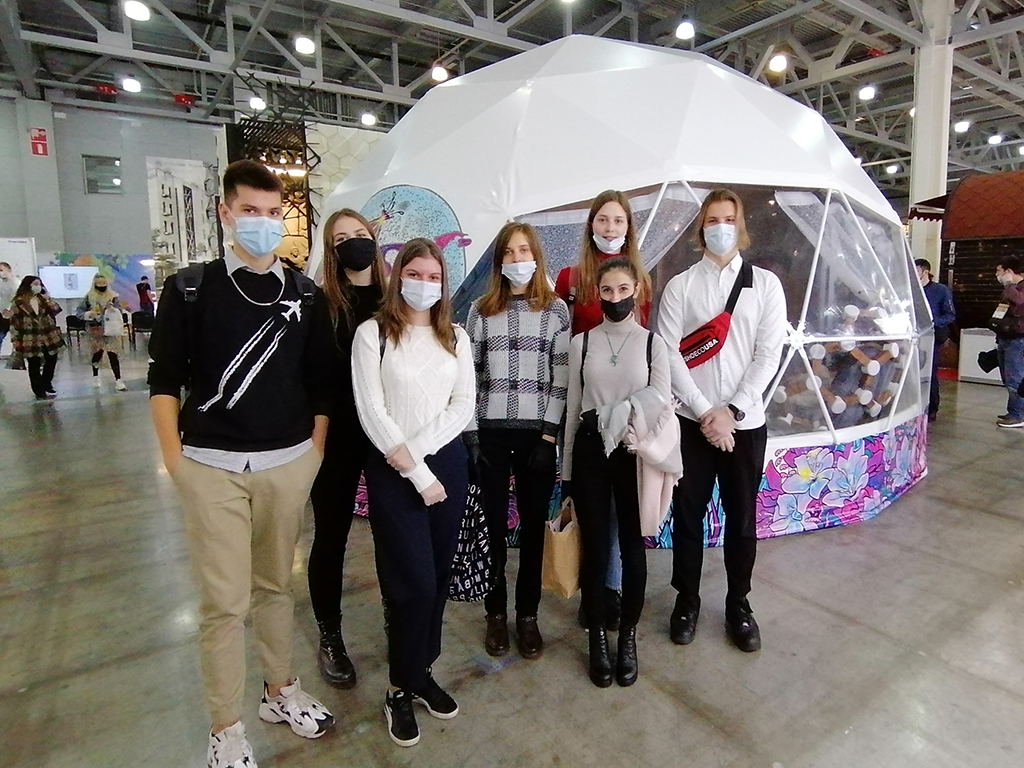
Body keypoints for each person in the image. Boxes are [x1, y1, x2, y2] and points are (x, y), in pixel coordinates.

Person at [148, 159, 336, 768]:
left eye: (272, 212)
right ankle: (225, 728)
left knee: (275, 587)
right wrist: (176, 462)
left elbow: (321, 383)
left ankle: (280, 690)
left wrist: (313, 453)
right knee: (225, 604)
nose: (262, 222)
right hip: (211, 467)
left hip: (287, 465)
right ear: (225, 212)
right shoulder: (190, 289)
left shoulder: (304, 295)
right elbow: (163, 380)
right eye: (249, 210)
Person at [351, 238, 474, 748]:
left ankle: (421, 672)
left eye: (434, 276)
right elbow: (371, 408)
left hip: (443, 463)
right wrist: (413, 470)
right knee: (411, 584)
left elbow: (463, 404)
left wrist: (418, 455)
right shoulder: (373, 334)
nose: (424, 284)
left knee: (438, 577)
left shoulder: (456, 337)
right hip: (393, 468)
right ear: (398, 275)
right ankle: (398, 688)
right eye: (415, 274)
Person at [658, 188, 786, 653]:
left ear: (741, 225)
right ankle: (686, 599)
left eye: (728, 219)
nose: (720, 227)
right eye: (712, 219)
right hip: (690, 422)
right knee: (687, 515)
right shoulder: (680, 285)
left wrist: (731, 412)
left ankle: (739, 603)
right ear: (701, 228)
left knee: (742, 519)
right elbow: (668, 352)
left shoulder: (765, 285)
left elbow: (768, 354)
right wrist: (703, 411)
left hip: (744, 424)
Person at [562, 256, 671, 688]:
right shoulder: (582, 343)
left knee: (632, 548)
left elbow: (660, 399)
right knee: (595, 550)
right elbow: (574, 408)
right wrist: (566, 472)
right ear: (597, 294)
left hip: (632, 452)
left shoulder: (652, 344)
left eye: (623, 289)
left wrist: (612, 413)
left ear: (637, 291)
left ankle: (627, 637)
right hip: (591, 453)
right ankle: (596, 640)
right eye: (607, 290)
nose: (616, 297)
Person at [464, 222, 570, 660]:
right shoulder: (480, 311)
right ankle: (495, 613)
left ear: (536, 256)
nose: (517, 258)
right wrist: (471, 435)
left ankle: (527, 615)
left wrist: (548, 436)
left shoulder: (556, 311)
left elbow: (561, 378)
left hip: (536, 436)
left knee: (530, 531)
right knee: (491, 529)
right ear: (499, 261)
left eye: (524, 250)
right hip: (490, 434)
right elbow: (468, 378)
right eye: (509, 252)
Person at [554, 190, 652, 631]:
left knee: (619, 511)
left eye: (618, 221)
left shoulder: (641, 280)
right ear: (591, 224)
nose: (610, 228)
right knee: (591, 508)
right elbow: (563, 337)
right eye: (603, 219)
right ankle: (592, 589)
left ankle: (611, 588)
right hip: (585, 398)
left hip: (627, 410)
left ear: (628, 227)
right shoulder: (570, 278)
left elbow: (643, 341)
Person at [307, 208, 387, 689]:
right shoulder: (321, 305)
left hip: (386, 438)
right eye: (341, 239)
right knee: (331, 536)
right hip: (336, 437)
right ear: (331, 250)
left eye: (360, 234)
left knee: (394, 535)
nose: (353, 243)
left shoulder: (396, 299)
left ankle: (398, 621)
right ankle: (330, 634)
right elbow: (314, 378)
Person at [8, 275, 64, 399]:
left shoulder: (43, 299)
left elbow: (56, 309)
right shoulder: (18, 302)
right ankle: (38, 389)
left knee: (52, 357)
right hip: (30, 336)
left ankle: (46, 382)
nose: (38, 287)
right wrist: (15, 339)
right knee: (34, 363)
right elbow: (14, 322)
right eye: (35, 284)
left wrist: (48, 298)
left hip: (47, 334)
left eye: (39, 284)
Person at [914, 259, 956, 422]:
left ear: (925, 272)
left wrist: (932, 322)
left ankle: (931, 408)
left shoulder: (940, 290)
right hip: (914, 337)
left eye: (917, 270)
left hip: (931, 337)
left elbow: (950, 315)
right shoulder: (912, 291)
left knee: (929, 372)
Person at [78, 274, 128, 391]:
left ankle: (118, 380)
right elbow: (79, 312)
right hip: (95, 329)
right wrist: (88, 314)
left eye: (103, 283)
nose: (102, 286)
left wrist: (113, 309)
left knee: (113, 354)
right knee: (97, 353)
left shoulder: (113, 296)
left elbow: (120, 311)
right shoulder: (89, 297)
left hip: (111, 329)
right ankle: (95, 375)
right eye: (99, 283)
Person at [992, 256, 1024, 428]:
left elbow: (1019, 302)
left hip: (1017, 340)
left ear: (1009, 271)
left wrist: (1010, 284)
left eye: (999, 271)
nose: (997, 275)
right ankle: (1013, 410)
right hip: (1005, 337)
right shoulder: (1010, 289)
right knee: (1007, 377)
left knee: (1015, 378)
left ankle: (1018, 415)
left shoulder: (1018, 288)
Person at [0, 261, 16, 354]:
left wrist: (9, 309)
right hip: (2, 314)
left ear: (9, 270)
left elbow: (15, 299)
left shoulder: (16, 284)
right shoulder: (2, 284)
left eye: (1, 270)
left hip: (12, 314)